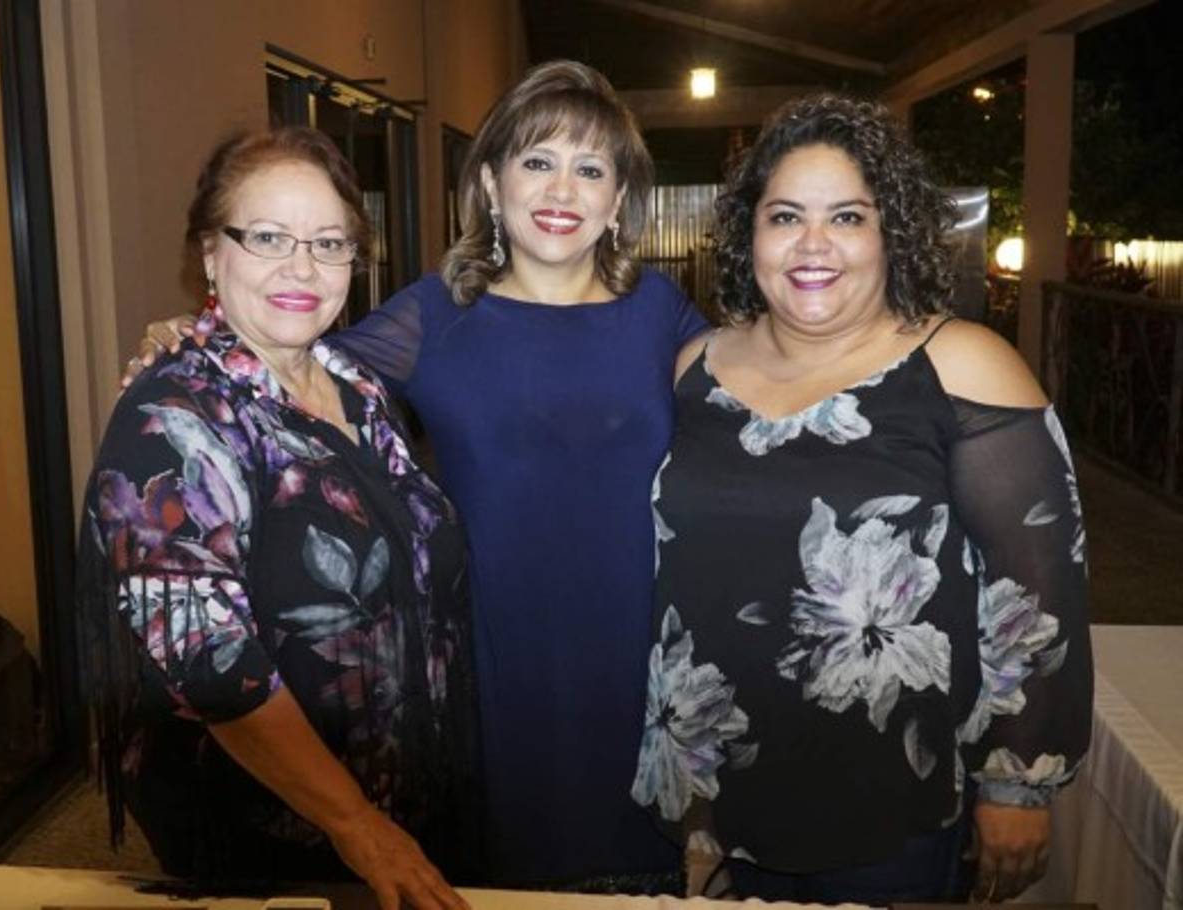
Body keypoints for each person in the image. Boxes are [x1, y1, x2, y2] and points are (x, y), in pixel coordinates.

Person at [123, 61, 709, 890]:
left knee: (637, 878)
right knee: (498, 879)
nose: (562, 190)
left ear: (619, 202)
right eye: (537, 161)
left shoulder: (660, 312)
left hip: (633, 645)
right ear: (492, 183)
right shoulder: (436, 314)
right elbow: (297, 371)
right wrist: (198, 340)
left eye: (591, 169)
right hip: (491, 657)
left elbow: (757, 395)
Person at [629, 94, 1092, 905]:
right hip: (714, 791)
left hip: (888, 799)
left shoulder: (962, 365)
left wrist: (1016, 783)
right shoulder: (695, 367)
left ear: (890, 235)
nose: (813, 244)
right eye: (785, 217)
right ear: (748, 234)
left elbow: (1038, 593)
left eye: (847, 217)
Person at [78, 126, 478, 910]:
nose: (303, 267)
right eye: (267, 237)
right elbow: (212, 664)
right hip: (275, 833)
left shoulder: (353, 384)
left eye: (329, 243)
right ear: (210, 253)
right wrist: (357, 824)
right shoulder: (172, 421)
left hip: (397, 799)